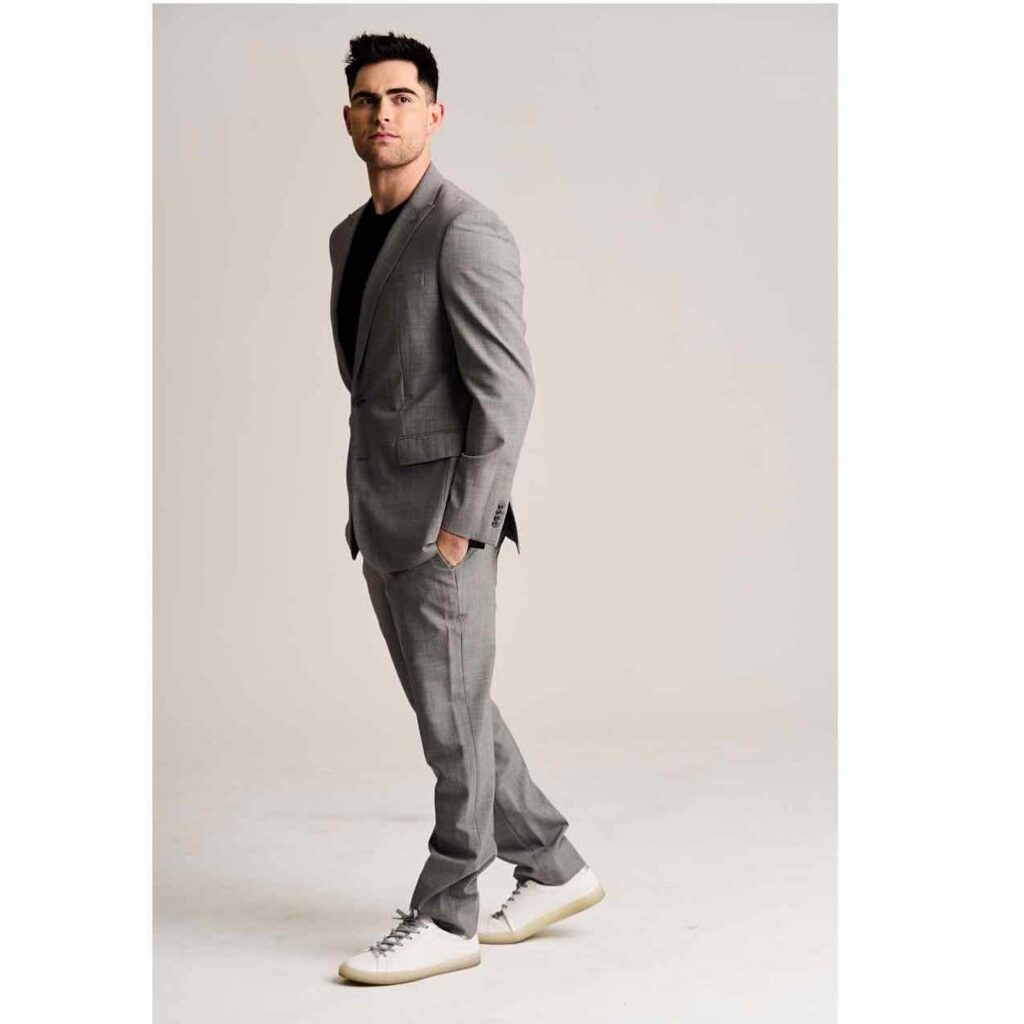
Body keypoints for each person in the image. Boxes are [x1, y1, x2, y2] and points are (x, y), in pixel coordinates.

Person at [329, 32, 604, 986]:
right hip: (381, 513)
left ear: (435, 114)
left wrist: (462, 528)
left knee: (449, 725)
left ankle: (449, 913)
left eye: (402, 98)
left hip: (446, 525)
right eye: (369, 100)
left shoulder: (465, 230)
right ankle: (555, 865)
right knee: (456, 707)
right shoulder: (347, 237)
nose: (385, 114)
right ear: (349, 118)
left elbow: (506, 391)